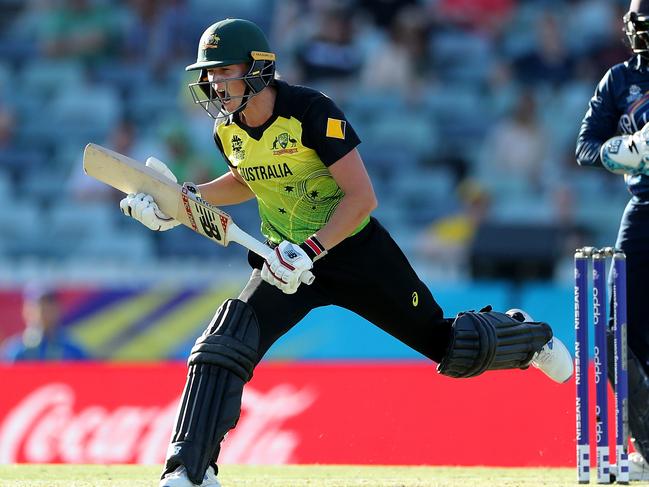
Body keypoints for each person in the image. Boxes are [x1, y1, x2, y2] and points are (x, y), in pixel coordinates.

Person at [119, 18, 573, 487]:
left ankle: (526, 338)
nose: (214, 83)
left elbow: (361, 197)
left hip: (354, 252)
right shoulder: (226, 131)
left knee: (449, 347)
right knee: (225, 340)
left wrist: (311, 248)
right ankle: (190, 470)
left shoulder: (312, 111)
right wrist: (182, 201)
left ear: (257, 69)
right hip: (286, 266)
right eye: (209, 74)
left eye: (223, 71)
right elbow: (245, 179)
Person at [577, 0, 649, 480]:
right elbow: (584, 147)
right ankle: (643, 446)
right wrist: (626, 150)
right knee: (619, 329)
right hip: (645, 205)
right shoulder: (621, 79)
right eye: (638, 24)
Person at [1, 285, 87, 361]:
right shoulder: (13, 351)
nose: (43, 312)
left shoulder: (73, 351)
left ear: (59, 309)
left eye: (49, 307)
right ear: (25, 310)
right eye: (37, 306)